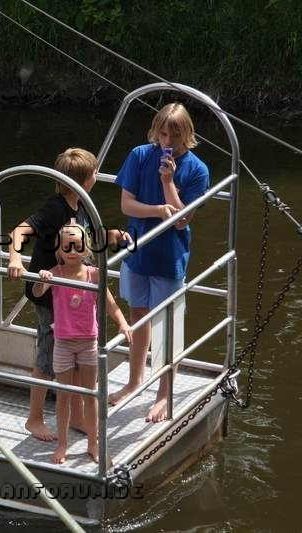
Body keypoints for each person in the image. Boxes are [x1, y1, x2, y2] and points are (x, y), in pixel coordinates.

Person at [109, 103, 209, 422]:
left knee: (167, 323)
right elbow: (127, 204)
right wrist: (156, 210)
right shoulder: (139, 155)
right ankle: (134, 380)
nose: (167, 140)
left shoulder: (196, 169)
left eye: (174, 135)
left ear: (186, 134)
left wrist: (168, 183)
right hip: (137, 251)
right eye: (163, 132)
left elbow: (183, 220)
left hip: (169, 257)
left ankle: (164, 395)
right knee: (139, 315)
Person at [7, 148, 114, 442]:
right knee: (47, 356)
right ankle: (35, 418)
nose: (96, 177)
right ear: (84, 179)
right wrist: (15, 259)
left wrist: (112, 237)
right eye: (93, 173)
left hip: (75, 295)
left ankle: (78, 416)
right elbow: (20, 231)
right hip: (50, 294)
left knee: (78, 355)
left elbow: (86, 242)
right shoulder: (56, 208)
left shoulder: (80, 206)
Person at [32, 224, 133, 464]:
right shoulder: (55, 273)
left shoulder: (93, 274)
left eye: (77, 246)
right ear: (59, 248)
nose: (72, 251)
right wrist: (41, 279)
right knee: (64, 397)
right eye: (66, 246)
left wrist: (122, 323)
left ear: (86, 248)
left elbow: (109, 303)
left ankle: (92, 444)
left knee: (90, 395)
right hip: (63, 344)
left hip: (88, 343)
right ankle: (63, 445)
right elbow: (37, 293)